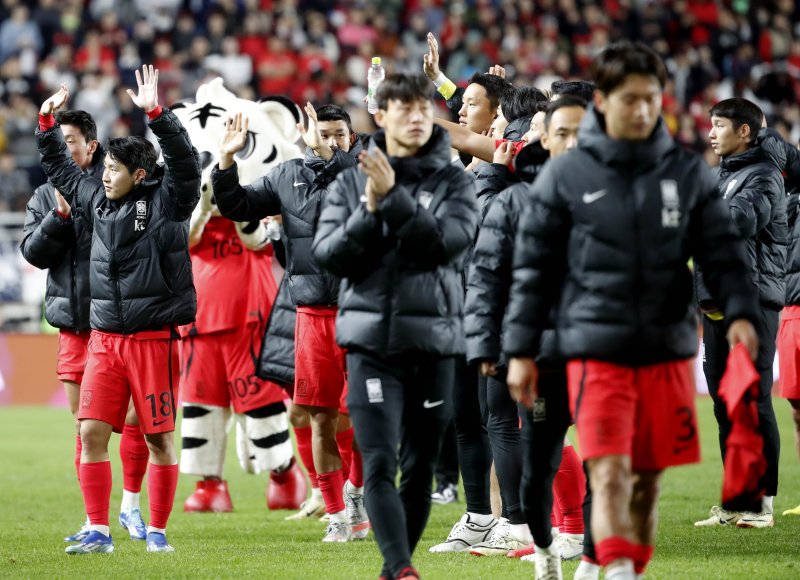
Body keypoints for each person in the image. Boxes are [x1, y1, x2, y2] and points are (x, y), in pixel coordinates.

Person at [503, 42, 760, 580]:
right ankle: (616, 570)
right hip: (595, 350)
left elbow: (723, 252)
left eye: (652, 99)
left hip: (667, 350)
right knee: (612, 471)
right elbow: (533, 271)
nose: (643, 110)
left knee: (646, 480)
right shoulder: (566, 177)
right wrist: (521, 349)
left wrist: (739, 313)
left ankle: (625, 568)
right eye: (631, 99)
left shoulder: (686, 173)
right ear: (605, 105)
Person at [312, 73, 478, 580]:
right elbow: (328, 255)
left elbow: (449, 245)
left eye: (421, 108)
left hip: (433, 344)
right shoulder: (348, 181)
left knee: (420, 466)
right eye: (401, 108)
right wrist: (369, 210)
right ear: (379, 117)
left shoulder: (454, 180)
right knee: (380, 462)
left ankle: (393, 571)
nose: (414, 117)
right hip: (370, 345)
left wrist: (395, 201)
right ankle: (401, 567)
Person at [36, 66, 201, 555]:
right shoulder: (93, 197)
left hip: (153, 342)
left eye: (113, 169)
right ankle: (98, 531)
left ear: (140, 175)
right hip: (104, 341)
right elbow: (61, 170)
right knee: (90, 433)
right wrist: (46, 126)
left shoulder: (170, 202)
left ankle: (158, 532)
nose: (103, 175)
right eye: (103, 167)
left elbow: (187, 163)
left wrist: (157, 113)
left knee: (157, 441)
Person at [211, 103, 367, 541]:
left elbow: (359, 190)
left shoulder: (362, 171)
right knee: (319, 418)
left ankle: (356, 492)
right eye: (324, 132)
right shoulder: (285, 175)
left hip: (361, 313)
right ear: (304, 132)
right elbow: (237, 206)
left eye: (340, 134)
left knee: (364, 416)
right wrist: (227, 161)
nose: (332, 140)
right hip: (312, 314)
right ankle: (337, 514)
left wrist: (331, 156)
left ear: (351, 138)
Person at [464, 96, 588, 567]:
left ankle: (593, 547)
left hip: (600, 346)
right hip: (539, 349)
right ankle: (548, 545)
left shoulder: (616, 193)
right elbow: (489, 274)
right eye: (554, 130)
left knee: (609, 453)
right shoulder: (517, 198)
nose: (568, 141)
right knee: (543, 449)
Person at [21, 109, 152, 544]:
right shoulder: (44, 195)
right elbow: (33, 254)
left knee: (137, 420)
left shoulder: (112, 189)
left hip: (121, 325)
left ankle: (131, 507)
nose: (63, 148)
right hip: (76, 326)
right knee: (85, 427)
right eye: (58, 141)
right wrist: (58, 218)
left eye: (71, 141)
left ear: (91, 146)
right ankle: (94, 520)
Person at [694, 98, 786, 528]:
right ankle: (737, 500)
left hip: (752, 303)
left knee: (753, 399)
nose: (710, 133)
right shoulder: (716, 177)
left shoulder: (766, 176)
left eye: (718, 125)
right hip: (715, 304)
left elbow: (737, 221)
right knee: (723, 402)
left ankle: (762, 503)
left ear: (744, 131)